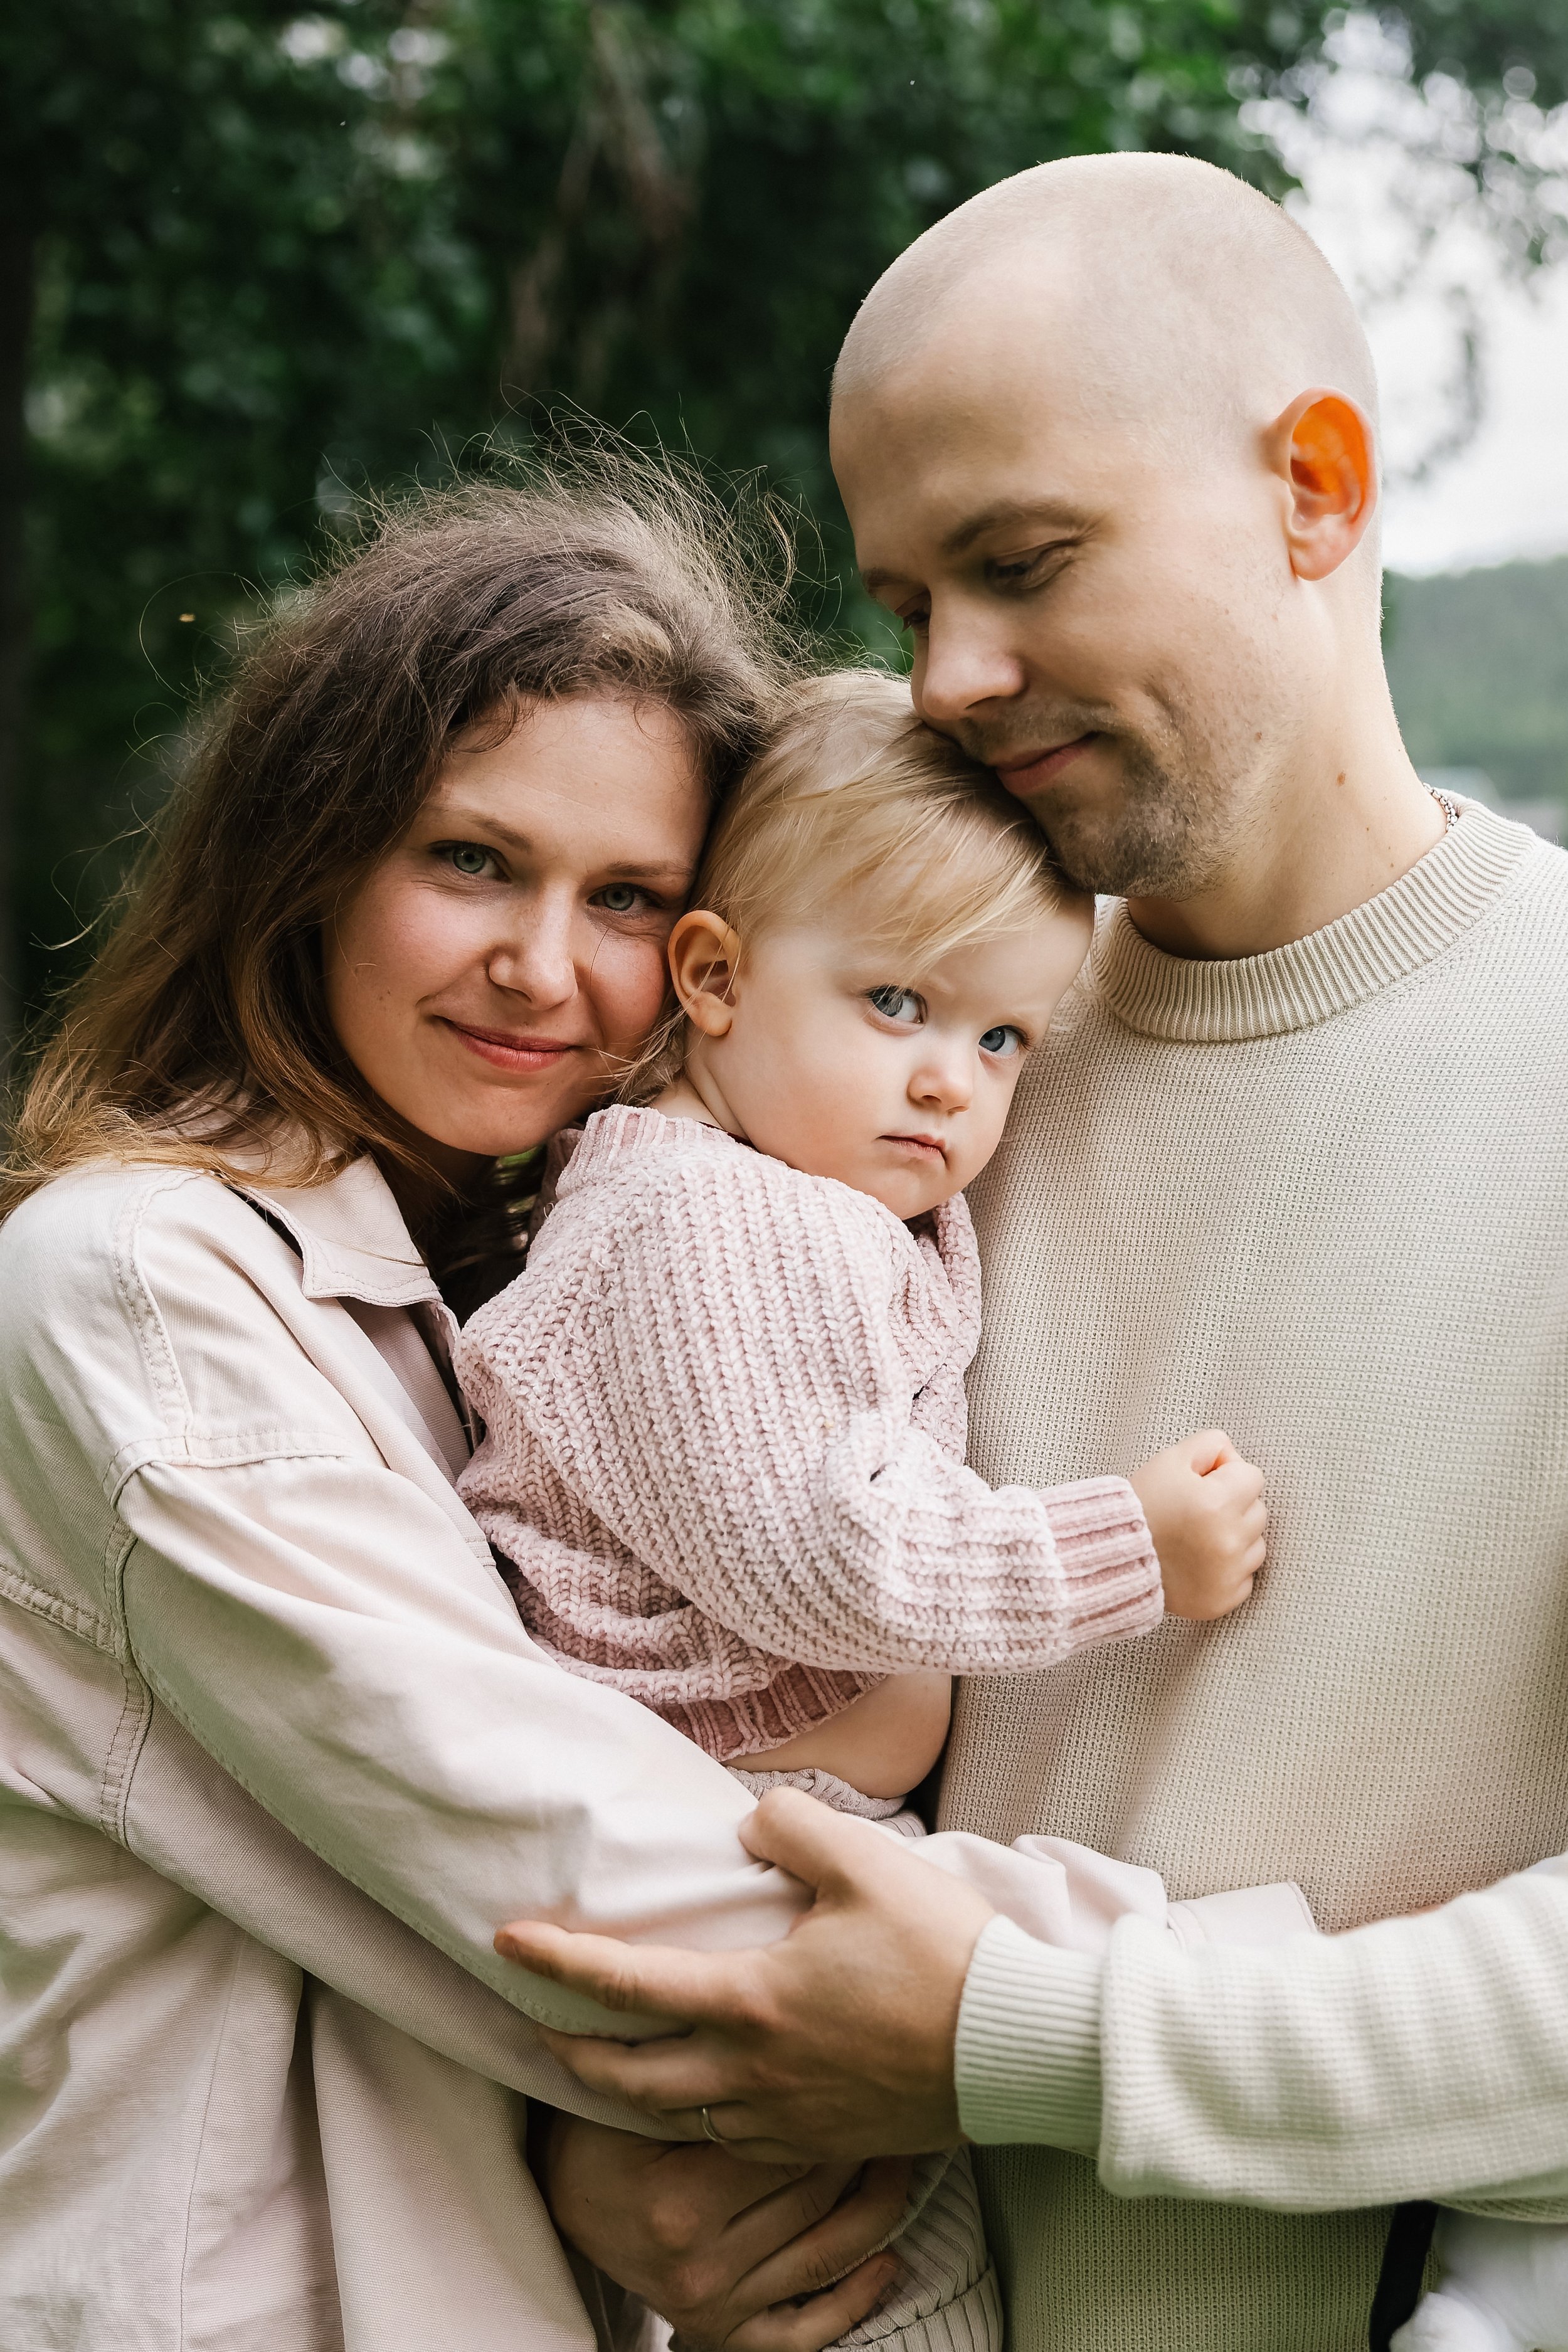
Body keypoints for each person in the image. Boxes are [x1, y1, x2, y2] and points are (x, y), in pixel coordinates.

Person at [495, 156, 1568, 2352]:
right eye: (907, 601)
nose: (954, 677)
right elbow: (553, 1645)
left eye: (1020, 562)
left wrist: (1025, 2035)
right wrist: (601, 2129)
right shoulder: (851, 1054)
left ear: (1316, 488)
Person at [0, 469, 932, 2351]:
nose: (542, 968)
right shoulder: (144, 1290)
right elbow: (576, 1886)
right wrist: (1204, 2006)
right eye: (470, 861)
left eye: (628, 899)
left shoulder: (518, 1284)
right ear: (311, 855)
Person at [454, 666, 1285, 2347]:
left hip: (750, 1838)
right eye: (895, 1004)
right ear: (714, 978)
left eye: (999, 1039)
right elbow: (829, 1558)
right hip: (714, 1851)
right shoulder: (714, 1228)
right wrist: (1130, 1544)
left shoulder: (790, 1191)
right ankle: (1277, 2008)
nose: (950, 1086)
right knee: (881, 2273)